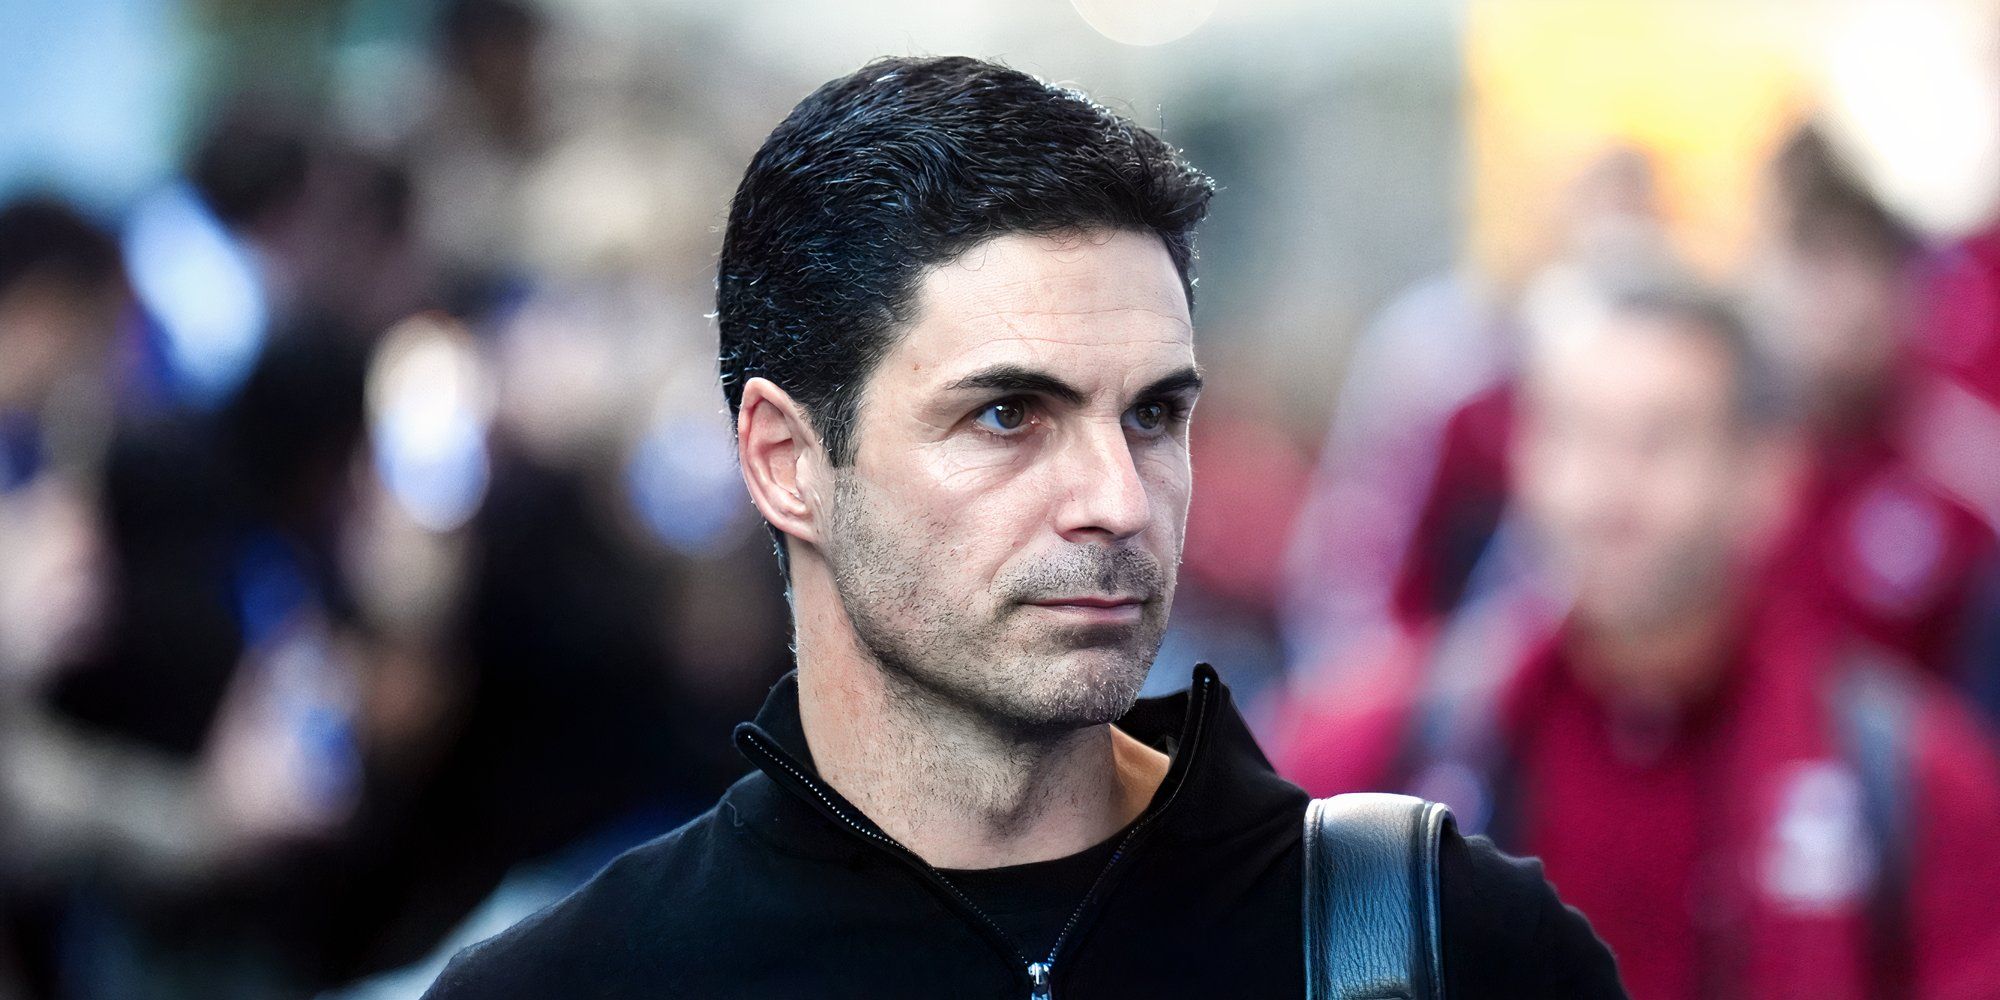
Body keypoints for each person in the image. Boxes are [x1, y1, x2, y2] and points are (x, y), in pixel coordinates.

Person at [422, 55, 1623, 999]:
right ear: (786, 462)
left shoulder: (1442, 940)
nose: (1116, 498)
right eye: (1007, 414)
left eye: (1152, 414)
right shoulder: (580, 981)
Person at [1274, 277, 2000, 999]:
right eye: (1573, 434)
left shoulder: (1916, 786)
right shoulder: (1366, 758)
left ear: (1767, 474)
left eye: (1657, 442)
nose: (1605, 491)